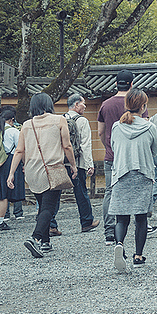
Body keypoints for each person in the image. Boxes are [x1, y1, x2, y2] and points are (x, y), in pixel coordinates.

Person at [8, 94, 76, 258]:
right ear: (49, 104)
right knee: (48, 208)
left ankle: (45, 242)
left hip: (32, 171)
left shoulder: (26, 124)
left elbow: (19, 151)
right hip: (52, 169)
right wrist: (73, 166)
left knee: (42, 205)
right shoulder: (59, 120)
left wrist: (11, 174)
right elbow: (66, 145)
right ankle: (35, 238)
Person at [107, 88, 157, 271]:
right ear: (143, 106)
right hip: (143, 174)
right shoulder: (150, 127)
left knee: (121, 219)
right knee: (141, 219)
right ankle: (138, 255)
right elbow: (154, 151)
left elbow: (113, 147)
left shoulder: (116, 126)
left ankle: (119, 244)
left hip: (121, 175)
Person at [98, 69, 144, 244]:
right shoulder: (137, 103)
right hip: (135, 157)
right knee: (139, 190)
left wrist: (109, 147)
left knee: (110, 191)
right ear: (132, 84)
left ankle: (110, 231)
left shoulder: (106, 105)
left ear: (116, 83)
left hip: (112, 156)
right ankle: (141, 225)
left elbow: (101, 132)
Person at [49, 94, 99, 235]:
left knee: (55, 193)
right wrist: (89, 164)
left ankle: (51, 224)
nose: (85, 106)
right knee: (81, 192)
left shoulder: (60, 119)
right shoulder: (82, 121)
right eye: (83, 103)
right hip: (78, 162)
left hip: (60, 162)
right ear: (76, 105)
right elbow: (85, 145)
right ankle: (86, 222)